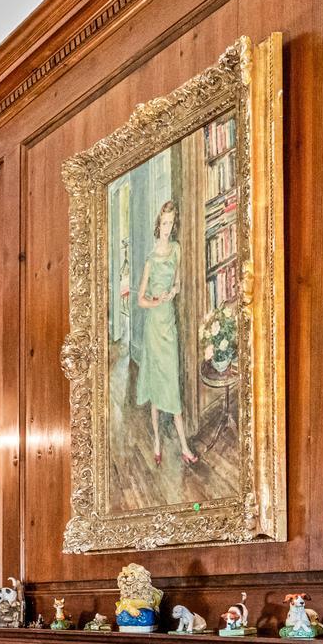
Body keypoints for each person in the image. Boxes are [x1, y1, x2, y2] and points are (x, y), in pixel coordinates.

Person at [133, 199, 196, 466]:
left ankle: (183, 447)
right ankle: (158, 440)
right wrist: (156, 301)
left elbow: (179, 281)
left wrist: (174, 291)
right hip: (154, 327)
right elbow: (139, 300)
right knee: (158, 386)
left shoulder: (177, 250)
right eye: (164, 223)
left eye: (171, 223)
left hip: (169, 325)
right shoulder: (150, 259)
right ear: (158, 226)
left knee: (171, 384)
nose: (168, 228)